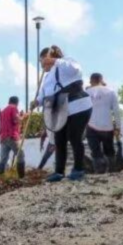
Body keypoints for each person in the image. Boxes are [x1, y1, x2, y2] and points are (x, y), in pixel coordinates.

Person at [34, 46, 92, 182]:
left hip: (78, 106)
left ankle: (78, 169)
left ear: (48, 58)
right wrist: (36, 102)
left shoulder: (66, 62)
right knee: (59, 140)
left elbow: (76, 69)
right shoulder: (47, 77)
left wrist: (55, 61)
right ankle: (59, 172)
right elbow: (44, 95)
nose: (41, 65)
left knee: (74, 137)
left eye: (42, 61)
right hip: (61, 109)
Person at [86, 73, 121, 173]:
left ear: (92, 80)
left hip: (91, 126)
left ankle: (100, 170)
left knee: (95, 151)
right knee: (109, 150)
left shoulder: (87, 92)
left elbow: (82, 110)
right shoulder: (111, 91)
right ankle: (112, 170)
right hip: (107, 127)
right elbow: (116, 111)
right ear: (101, 80)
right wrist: (118, 127)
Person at [0, 96, 26, 178]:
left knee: (3, 159)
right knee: (20, 154)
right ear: (17, 102)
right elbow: (16, 120)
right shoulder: (14, 108)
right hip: (12, 136)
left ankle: (0, 177)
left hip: (3, 138)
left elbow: (2, 124)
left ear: (9, 101)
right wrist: (23, 117)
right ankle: (21, 177)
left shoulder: (3, 111)